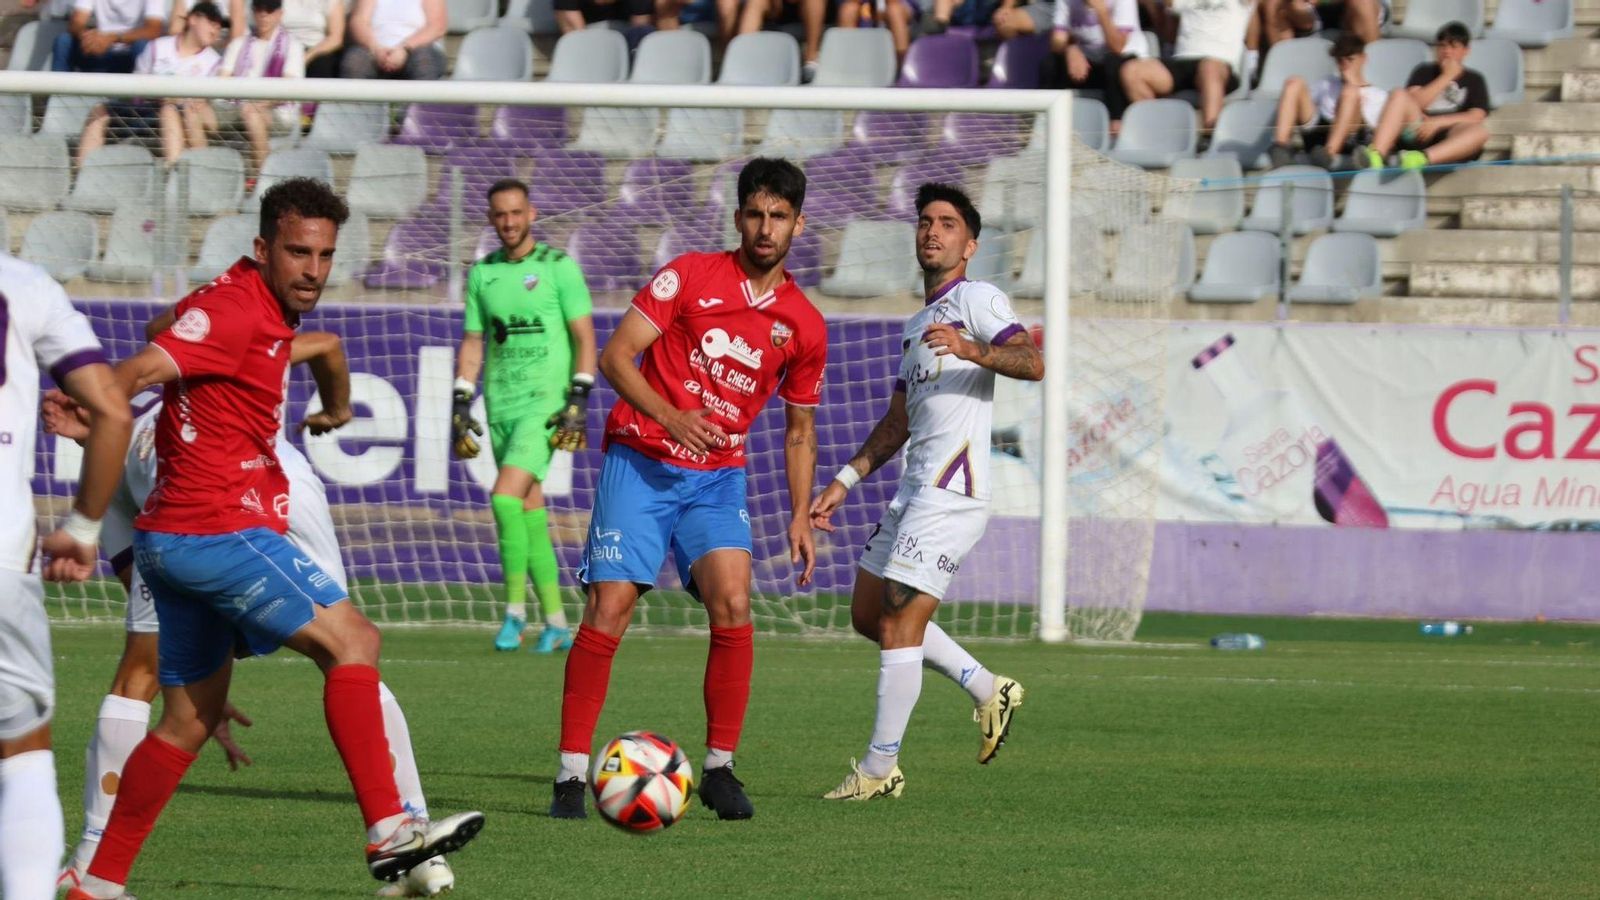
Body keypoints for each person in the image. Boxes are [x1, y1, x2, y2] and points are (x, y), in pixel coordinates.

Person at [63, 178, 484, 900]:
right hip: (217, 527)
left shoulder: (245, 300)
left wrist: (336, 403)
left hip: (173, 540)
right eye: (296, 252)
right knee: (354, 641)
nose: (312, 269)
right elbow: (128, 377)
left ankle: (96, 881)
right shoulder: (233, 311)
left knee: (188, 721)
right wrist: (80, 511)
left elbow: (178, 324)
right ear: (263, 248)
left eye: (323, 255)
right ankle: (389, 827)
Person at [548, 157, 826, 821]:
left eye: (778, 217)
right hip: (641, 463)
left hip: (716, 478)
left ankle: (721, 769)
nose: (765, 228)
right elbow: (616, 356)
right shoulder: (689, 275)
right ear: (738, 219)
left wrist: (799, 515)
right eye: (755, 214)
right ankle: (570, 774)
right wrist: (671, 416)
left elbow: (799, 431)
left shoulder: (805, 326)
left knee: (733, 599)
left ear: (798, 224)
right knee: (610, 605)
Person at [810, 183, 1042, 802]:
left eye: (946, 223)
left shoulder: (977, 298)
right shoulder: (915, 326)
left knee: (899, 617)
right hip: (913, 490)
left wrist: (974, 348)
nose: (932, 231)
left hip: (953, 490)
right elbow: (898, 422)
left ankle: (880, 769)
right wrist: (845, 479)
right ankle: (987, 687)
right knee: (868, 613)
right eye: (925, 222)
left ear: (970, 243)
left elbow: (1031, 360)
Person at [0, 254, 132, 900]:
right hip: (3, 547)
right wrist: (82, 531)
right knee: (21, 750)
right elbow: (111, 411)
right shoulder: (24, 284)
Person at [452, 179, 598, 655]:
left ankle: (514, 611)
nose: (509, 222)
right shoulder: (483, 274)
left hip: (545, 404)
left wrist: (580, 394)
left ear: (532, 213)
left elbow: (584, 335)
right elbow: (475, 340)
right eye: (500, 215)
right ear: (492, 218)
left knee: (503, 498)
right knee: (530, 509)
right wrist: (460, 398)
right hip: (499, 403)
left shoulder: (559, 269)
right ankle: (556, 623)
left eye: (517, 213)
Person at [75, 1, 222, 169]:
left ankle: (173, 173)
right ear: (193, 19)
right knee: (99, 109)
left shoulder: (214, 62)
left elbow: (208, 108)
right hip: (145, 108)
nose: (215, 30)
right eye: (211, 23)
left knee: (169, 109)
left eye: (219, 27)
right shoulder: (158, 46)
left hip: (179, 112)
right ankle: (82, 172)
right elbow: (137, 83)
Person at [1358, 21, 1490, 171]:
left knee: (1480, 132)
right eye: (1442, 46)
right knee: (1399, 94)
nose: (1447, 51)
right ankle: (1376, 156)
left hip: (1452, 135)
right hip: (1419, 129)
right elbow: (1414, 101)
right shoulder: (1424, 71)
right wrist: (1446, 77)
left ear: (1466, 51)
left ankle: (1420, 158)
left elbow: (1476, 116)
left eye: (1453, 46)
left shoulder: (1475, 79)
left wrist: (1438, 122)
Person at [1120, 0, 1253, 130]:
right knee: (1132, 71)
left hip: (1219, 64)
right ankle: (1160, 131)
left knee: (1209, 68)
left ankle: (1209, 136)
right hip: (1182, 62)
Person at [1269, 33, 1387, 170]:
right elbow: (1306, 111)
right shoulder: (1327, 82)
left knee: (1350, 93)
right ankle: (1280, 149)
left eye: (1350, 59)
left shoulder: (1378, 94)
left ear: (1363, 59)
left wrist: (1352, 85)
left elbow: (1369, 127)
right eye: (1340, 61)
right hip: (1320, 132)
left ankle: (1329, 153)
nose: (1345, 66)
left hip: (1351, 139)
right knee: (1293, 83)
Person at [216, 0, 308, 177]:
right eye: (259, 9)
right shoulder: (238, 44)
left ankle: (262, 178)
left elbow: (287, 91)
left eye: (270, 10)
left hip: (278, 113)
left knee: (252, 112)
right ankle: (200, 172)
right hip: (237, 107)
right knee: (192, 110)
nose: (264, 14)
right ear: (253, 12)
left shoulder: (293, 46)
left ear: (280, 13)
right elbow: (222, 80)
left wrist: (256, 104)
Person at [1039, 0, 1150, 123]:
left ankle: (1117, 124)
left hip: (1125, 61)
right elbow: (1056, 42)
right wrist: (1071, 49)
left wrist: (1101, 11)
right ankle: (1046, 124)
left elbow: (1117, 47)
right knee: (1050, 64)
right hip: (1088, 62)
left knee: (1112, 63)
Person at [342, 0, 447, 80]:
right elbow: (359, 22)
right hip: (376, 48)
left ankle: (421, 108)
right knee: (355, 61)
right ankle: (356, 108)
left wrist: (404, 49)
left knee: (423, 61)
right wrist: (376, 49)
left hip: (418, 47)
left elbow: (436, 27)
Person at [52, 0, 165, 72]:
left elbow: (153, 30)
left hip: (129, 55)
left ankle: (139, 102)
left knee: (143, 46)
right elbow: (76, 22)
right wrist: (88, 38)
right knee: (64, 41)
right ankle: (57, 95)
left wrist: (111, 38)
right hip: (98, 51)